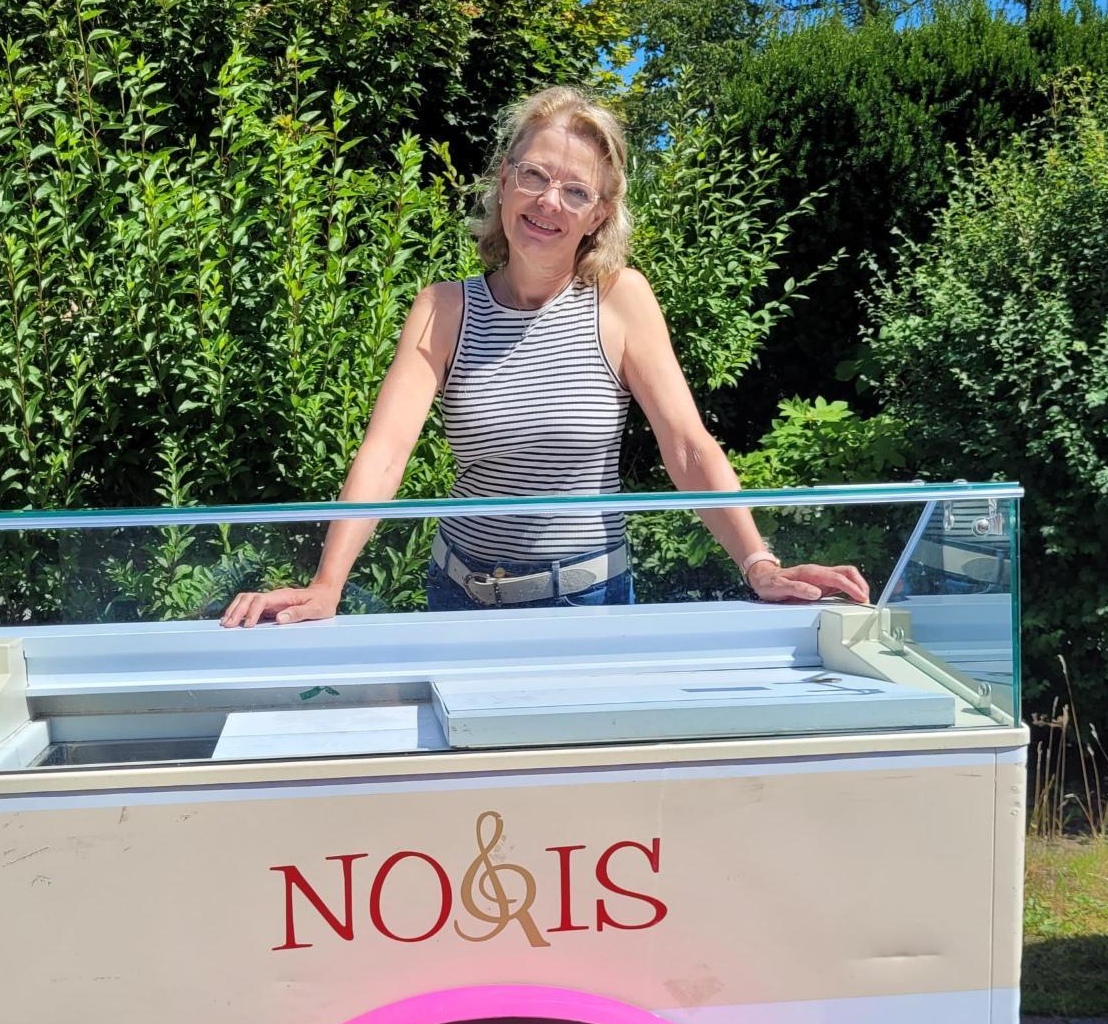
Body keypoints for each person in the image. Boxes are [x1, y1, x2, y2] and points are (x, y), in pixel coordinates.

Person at [221, 86, 869, 627]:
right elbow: (385, 454)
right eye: (533, 175)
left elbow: (687, 446)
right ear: (504, 182)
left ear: (600, 214)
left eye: (576, 191)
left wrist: (760, 564)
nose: (548, 202)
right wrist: (328, 584)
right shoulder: (442, 309)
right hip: (457, 598)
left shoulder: (620, 300)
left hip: (588, 604)